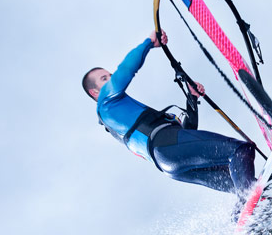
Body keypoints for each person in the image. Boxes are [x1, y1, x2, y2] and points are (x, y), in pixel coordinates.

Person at [83, 32, 256, 194]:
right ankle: (254, 207)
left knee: (238, 180)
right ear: (95, 92)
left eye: (110, 76)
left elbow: (188, 133)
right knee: (240, 151)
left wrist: (192, 98)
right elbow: (125, 71)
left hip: (170, 164)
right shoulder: (104, 103)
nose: (111, 79)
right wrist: (149, 42)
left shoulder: (123, 120)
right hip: (165, 147)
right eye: (105, 79)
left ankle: (257, 214)